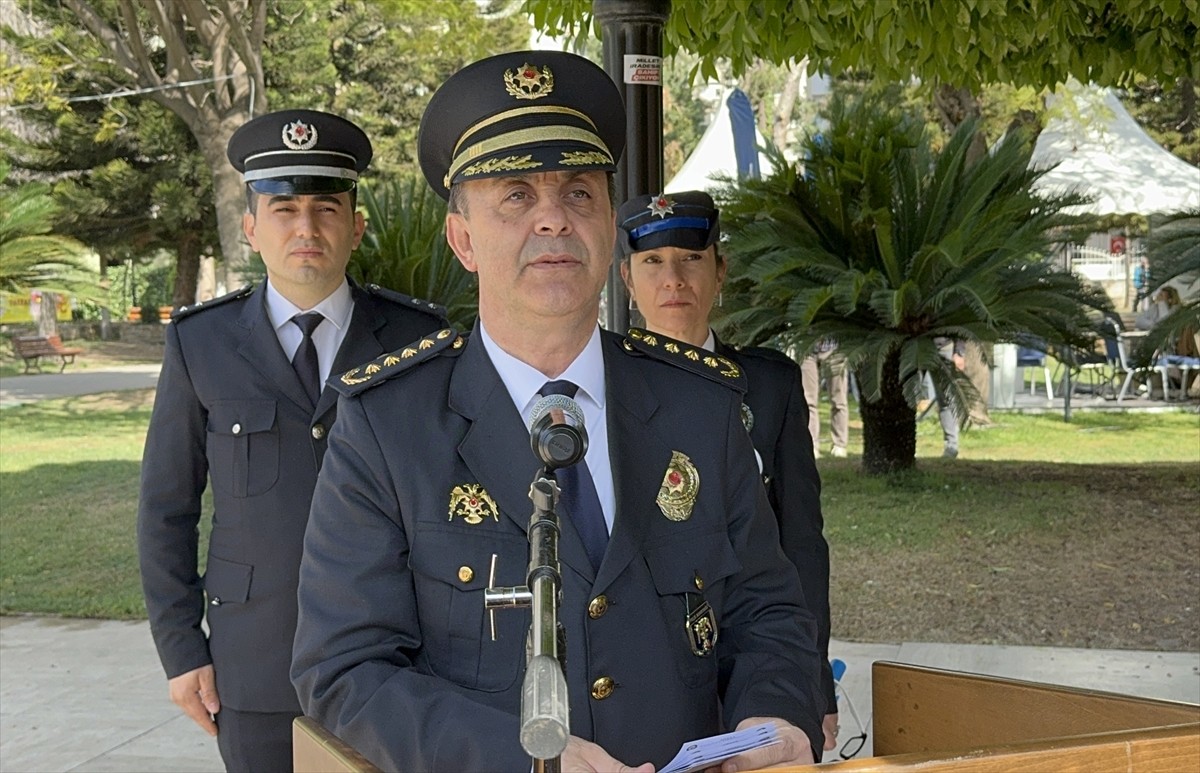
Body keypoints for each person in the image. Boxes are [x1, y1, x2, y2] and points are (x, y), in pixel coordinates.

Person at [291, 51, 825, 772]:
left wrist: (776, 714)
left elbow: (769, 610)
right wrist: (520, 756)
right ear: (464, 240)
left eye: (579, 194)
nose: (553, 219)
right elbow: (346, 669)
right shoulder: (387, 427)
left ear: (609, 227)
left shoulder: (701, 407)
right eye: (515, 195)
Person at [137, 109, 449, 772]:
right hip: (254, 662)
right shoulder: (201, 342)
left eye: (326, 207)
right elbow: (167, 506)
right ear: (252, 228)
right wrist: (182, 648)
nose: (306, 228)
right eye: (283, 209)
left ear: (355, 225)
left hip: (401, 660)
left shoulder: (417, 341)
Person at [615, 189, 838, 752]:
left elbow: (802, 546)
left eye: (691, 259)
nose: (674, 280)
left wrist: (811, 687)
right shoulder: (597, 391)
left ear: (720, 271)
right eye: (652, 263)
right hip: (647, 665)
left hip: (755, 651)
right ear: (626, 279)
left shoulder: (769, 385)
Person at [801, 339, 850, 458]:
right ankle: (812, 445)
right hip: (808, 348)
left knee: (839, 400)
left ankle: (840, 444)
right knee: (808, 401)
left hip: (835, 348)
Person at [933, 337, 968, 458]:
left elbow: (961, 328)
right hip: (915, 346)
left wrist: (959, 352)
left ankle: (951, 446)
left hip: (944, 348)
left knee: (946, 399)